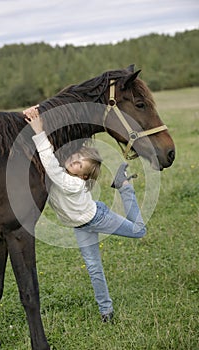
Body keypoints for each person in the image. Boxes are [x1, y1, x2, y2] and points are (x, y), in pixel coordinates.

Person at [23, 106, 146, 322]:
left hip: (98, 218)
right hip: (81, 226)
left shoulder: (72, 183)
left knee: (139, 230)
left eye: (80, 164)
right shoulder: (64, 172)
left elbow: (50, 165)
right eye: (77, 157)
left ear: (83, 175)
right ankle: (106, 311)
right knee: (93, 267)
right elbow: (50, 158)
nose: (75, 161)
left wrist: (38, 130)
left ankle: (124, 185)